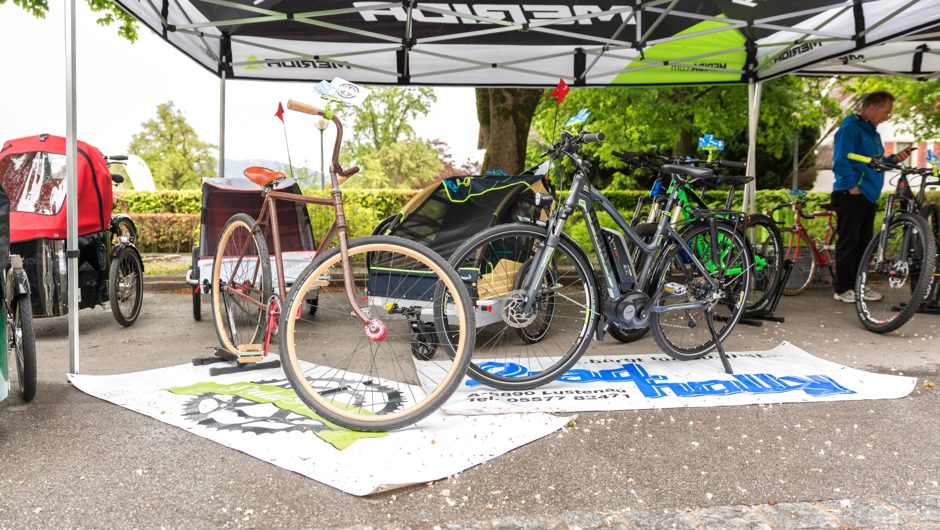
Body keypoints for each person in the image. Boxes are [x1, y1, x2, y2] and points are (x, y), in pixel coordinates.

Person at [831, 91, 914, 303]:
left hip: (867, 195)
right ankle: (843, 289)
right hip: (851, 194)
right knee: (849, 242)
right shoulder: (850, 128)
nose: (888, 116)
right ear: (871, 108)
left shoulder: (873, 132)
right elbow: (840, 160)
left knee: (864, 244)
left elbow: (875, 163)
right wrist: (852, 187)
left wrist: (895, 159)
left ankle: (859, 285)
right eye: (886, 112)